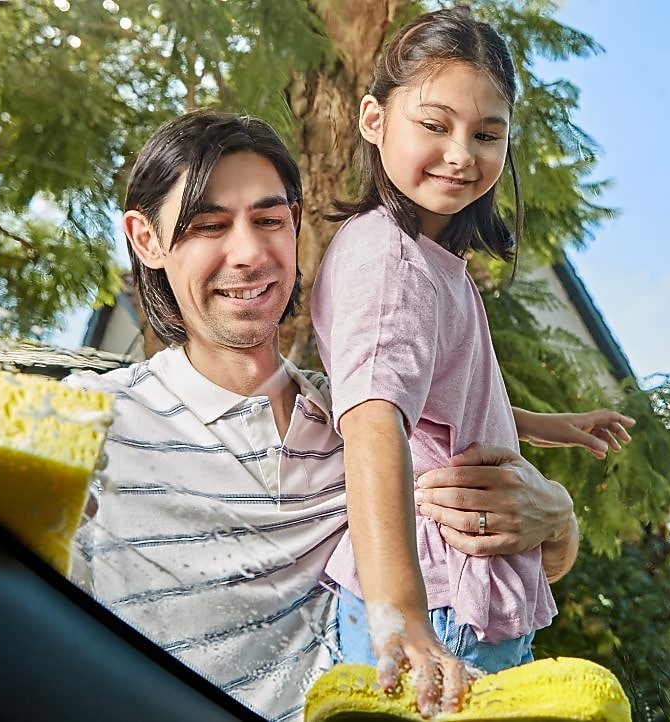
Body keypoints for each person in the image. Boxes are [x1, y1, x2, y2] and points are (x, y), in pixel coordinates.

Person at [66, 110, 582, 722]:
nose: (250, 254)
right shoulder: (91, 421)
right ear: (146, 239)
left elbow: (478, 571)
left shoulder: (371, 434)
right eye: (208, 226)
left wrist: (556, 521)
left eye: (268, 220)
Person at [311, 7, 634, 717]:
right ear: (374, 120)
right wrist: (402, 616)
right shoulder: (390, 260)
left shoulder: (433, 264)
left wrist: (555, 426)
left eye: (487, 134)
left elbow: (439, 405)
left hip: (456, 602)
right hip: (436, 608)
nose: (462, 152)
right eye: (435, 124)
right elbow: (372, 420)